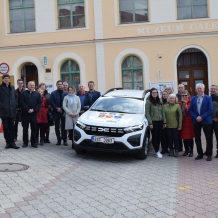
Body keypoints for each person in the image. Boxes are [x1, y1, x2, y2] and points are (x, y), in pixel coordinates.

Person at [190, 83, 213, 161]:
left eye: (201, 88)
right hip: (196, 121)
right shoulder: (193, 98)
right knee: (197, 138)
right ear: (196, 90)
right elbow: (191, 110)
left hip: (206, 121)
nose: (199, 90)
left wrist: (201, 117)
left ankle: (209, 154)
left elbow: (210, 109)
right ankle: (200, 153)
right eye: (198, 88)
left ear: (204, 89)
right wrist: (196, 117)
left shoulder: (208, 98)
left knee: (208, 138)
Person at [145, 88, 166, 158]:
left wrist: (164, 122)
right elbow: (147, 113)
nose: (155, 94)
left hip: (160, 121)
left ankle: (157, 150)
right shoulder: (148, 102)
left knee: (159, 136)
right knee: (154, 137)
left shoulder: (159, 101)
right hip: (153, 121)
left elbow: (163, 112)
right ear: (151, 93)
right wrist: (150, 123)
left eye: (156, 92)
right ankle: (157, 151)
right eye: (153, 92)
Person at [0, 74, 19, 149]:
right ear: (3, 79)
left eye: (8, 78)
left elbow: (15, 97)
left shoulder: (12, 87)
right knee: (6, 127)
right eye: (5, 78)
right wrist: (2, 106)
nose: (6, 79)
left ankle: (12, 142)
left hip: (12, 111)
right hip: (4, 111)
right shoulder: (0, 87)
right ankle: (7, 142)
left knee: (12, 127)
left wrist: (15, 105)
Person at [20, 81, 42, 148]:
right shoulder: (23, 93)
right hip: (25, 114)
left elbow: (39, 103)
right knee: (25, 129)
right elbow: (21, 102)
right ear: (27, 85)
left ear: (35, 86)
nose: (32, 86)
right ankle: (25, 142)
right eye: (30, 85)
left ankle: (33, 142)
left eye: (33, 85)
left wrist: (34, 109)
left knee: (34, 129)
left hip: (33, 114)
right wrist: (27, 109)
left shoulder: (37, 94)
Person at [50, 80, 68, 145]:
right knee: (57, 127)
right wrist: (57, 108)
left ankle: (65, 140)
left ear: (62, 85)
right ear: (56, 85)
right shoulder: (53, 93)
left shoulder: (66, 93)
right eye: (58, 84)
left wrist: (62, 108)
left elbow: (66, 102)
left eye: (61, 84)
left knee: (64, 127)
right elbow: (51, 102)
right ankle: (58, 140)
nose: (59, 85)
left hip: (64, 112)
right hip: (56, 112)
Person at [179, 90, 195, 157]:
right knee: (184, 137)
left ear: (188, 95)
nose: (184, 97)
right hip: (183, 122)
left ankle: (191, 151)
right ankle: (186, 150)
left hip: (190, 122)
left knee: (190, 137)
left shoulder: (191, 102)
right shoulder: (180, 103)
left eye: (185, 95)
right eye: (183, 95)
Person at [210, 84, 218, 158]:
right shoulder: (208, 98)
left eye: (214, 89)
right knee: (209, 137)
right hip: (209, 121)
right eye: (211, 89)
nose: (212, 90)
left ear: (216, 90)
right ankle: (208, 151)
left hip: (216, 121)